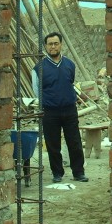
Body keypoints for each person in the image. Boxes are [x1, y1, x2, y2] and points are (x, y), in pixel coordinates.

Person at [32, 32, 88, 183]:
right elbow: (36, 91)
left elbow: (70, 82)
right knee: (53, 144)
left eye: (56, 43)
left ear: (61, 45)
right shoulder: (38, 69)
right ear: (45, 46)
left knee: (74, 142)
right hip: (50, 112)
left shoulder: (70, 64)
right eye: (50, 44)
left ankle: (78, 173)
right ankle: (57, 173)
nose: (53, 46)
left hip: (70, 110)